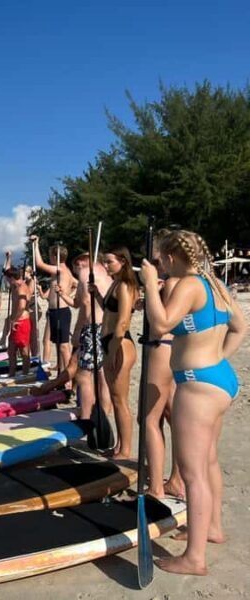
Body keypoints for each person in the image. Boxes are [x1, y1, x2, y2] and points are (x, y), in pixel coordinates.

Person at [142, 230, 245, 576]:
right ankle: (212, 526)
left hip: (197, 386)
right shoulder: (215, 284)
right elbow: (239, 327)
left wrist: (148, 284)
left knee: (192, 474)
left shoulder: (187, 283)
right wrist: (218, 359)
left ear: (171, 258)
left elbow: (160, 325)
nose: (159, 266)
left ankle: (194, 558)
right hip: (219, 380)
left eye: (160, 261)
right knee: (210, 462)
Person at [143, 235, 185, 500]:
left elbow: (161, 323)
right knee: (172, 417)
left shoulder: (170, 283)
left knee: (150, 419)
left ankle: (157, 486)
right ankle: (177, 479)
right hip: (178, 349)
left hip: (162, 346)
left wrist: (150, 289)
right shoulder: (191, 283)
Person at [90, 246, 138, 460]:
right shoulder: (115, 285)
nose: (106, 265)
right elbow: (110, 310)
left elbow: (123, 321)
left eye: (109, 262)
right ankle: (119, 446)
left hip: (119, 344)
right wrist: (97, 295)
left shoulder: (126, 286)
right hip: (109, 341)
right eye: (104, 262)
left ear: (123, 261)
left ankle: (125, 449)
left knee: (120, 400)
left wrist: (111, 353)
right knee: (116, 398)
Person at [58, 252, 113, 420]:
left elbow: (87, 304)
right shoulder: (106, 273)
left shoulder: (86, 272)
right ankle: (103, 416)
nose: (76, 267)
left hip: (93, 327)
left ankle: (87, 416)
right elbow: (77, 303)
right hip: (108, 326)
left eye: (77, 263)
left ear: (83, 261)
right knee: (103, 375)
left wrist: (77, 332)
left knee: (84, 376)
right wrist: (62, 294)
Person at [30, 236, 74, 375]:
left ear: (56, 257)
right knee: (59, 345)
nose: (50, 259)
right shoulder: (63, 272)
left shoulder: (61, 270)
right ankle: (62, 372)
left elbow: (40, 264)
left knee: (63, 347)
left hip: (61, 311)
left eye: (50, 256)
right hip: (55, 312)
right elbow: (76, 283)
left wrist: (36, 245)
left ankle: (68, 375)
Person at [4, 267, 32, 377]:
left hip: (21, 321)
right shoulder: (16, 286)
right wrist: (8, 257)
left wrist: (14, 320)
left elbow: (22, 306)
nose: (7, 282)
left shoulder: (21, 288)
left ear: (11, 278)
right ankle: (12, 374)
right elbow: (7, 269)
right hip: (17, 321)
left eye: (7, 279)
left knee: (24, 350)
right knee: (11, 350)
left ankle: (25, 373)